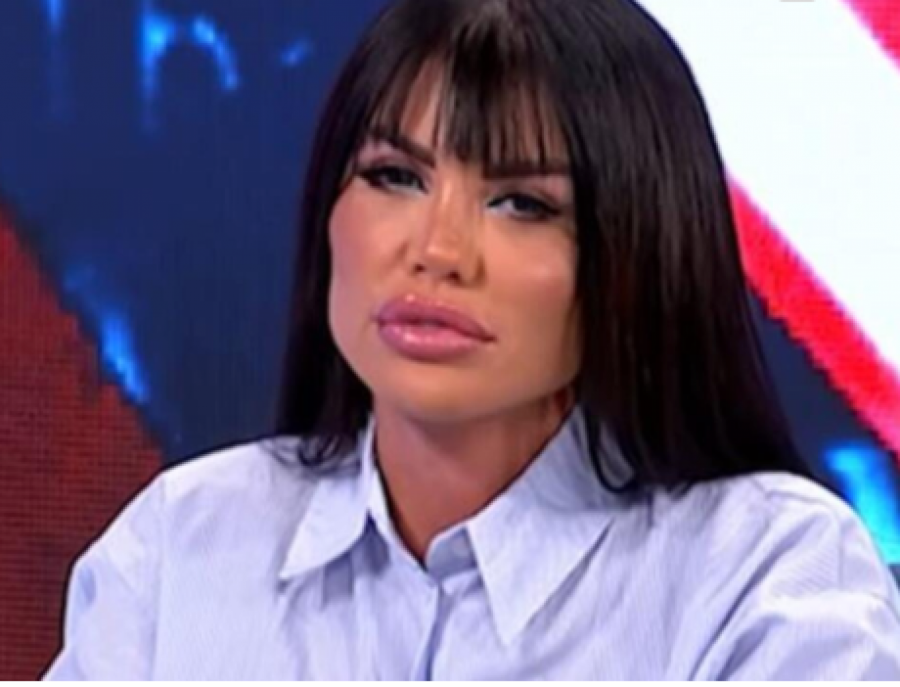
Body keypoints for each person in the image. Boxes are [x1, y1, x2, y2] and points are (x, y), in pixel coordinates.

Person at [46, 0, 900, 679]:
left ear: (638, 253)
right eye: (395, 177)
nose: (437, 250)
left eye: (522, 203)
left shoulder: (768, 577)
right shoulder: (180, 546)